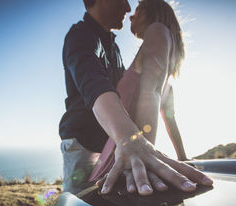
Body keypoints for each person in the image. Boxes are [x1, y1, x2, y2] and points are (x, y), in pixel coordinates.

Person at [59, 0, 213, 195]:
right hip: (85, 144)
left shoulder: (117, 48)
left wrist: (146, 149)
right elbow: (93, 83)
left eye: (137, 7)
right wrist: (129, 140)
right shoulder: (81, 35)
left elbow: (156, 100)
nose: (128, 8)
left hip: (119, 149)